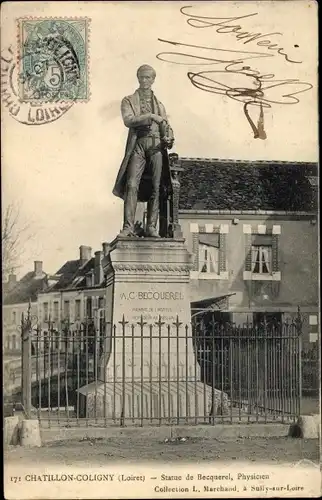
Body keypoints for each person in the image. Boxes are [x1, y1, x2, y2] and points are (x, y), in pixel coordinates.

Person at [112, 64, 174, 237]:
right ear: (137, 78)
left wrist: (169, 138)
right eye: (141, 77)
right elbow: (129, 120)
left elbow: (167, 126)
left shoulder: (160, 105)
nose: (144, 80)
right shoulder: (129, 100)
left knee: (156, 186)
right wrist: (151, 117)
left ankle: (151, 227)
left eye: (148, 77)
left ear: (153, 80)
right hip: (138, 144)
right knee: (131, 184)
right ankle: (128, 227)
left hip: (156, 146)